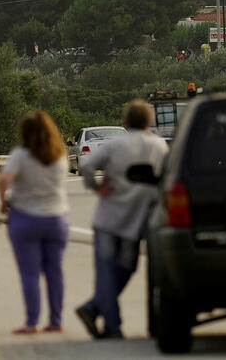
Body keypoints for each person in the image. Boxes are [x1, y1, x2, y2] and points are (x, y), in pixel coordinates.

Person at [76, 100, 169, 339]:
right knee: (127, 268)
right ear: (149, 121)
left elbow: (86, 164)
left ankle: (100, 315)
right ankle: (107, 322)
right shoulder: (160, 147)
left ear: (125, 122)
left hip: (107, 219)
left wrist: (95, 187)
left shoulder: (116, 145)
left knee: (107, 271)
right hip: (136, 221)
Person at [0, 111, 70, 335]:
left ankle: (32, 323)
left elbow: (4, 179)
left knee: (30, 274)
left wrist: (4, 201)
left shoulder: (21, 155)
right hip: (56, 218)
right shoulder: (60, 155)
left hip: (26, 218)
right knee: (55, 271)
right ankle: (56, 321)